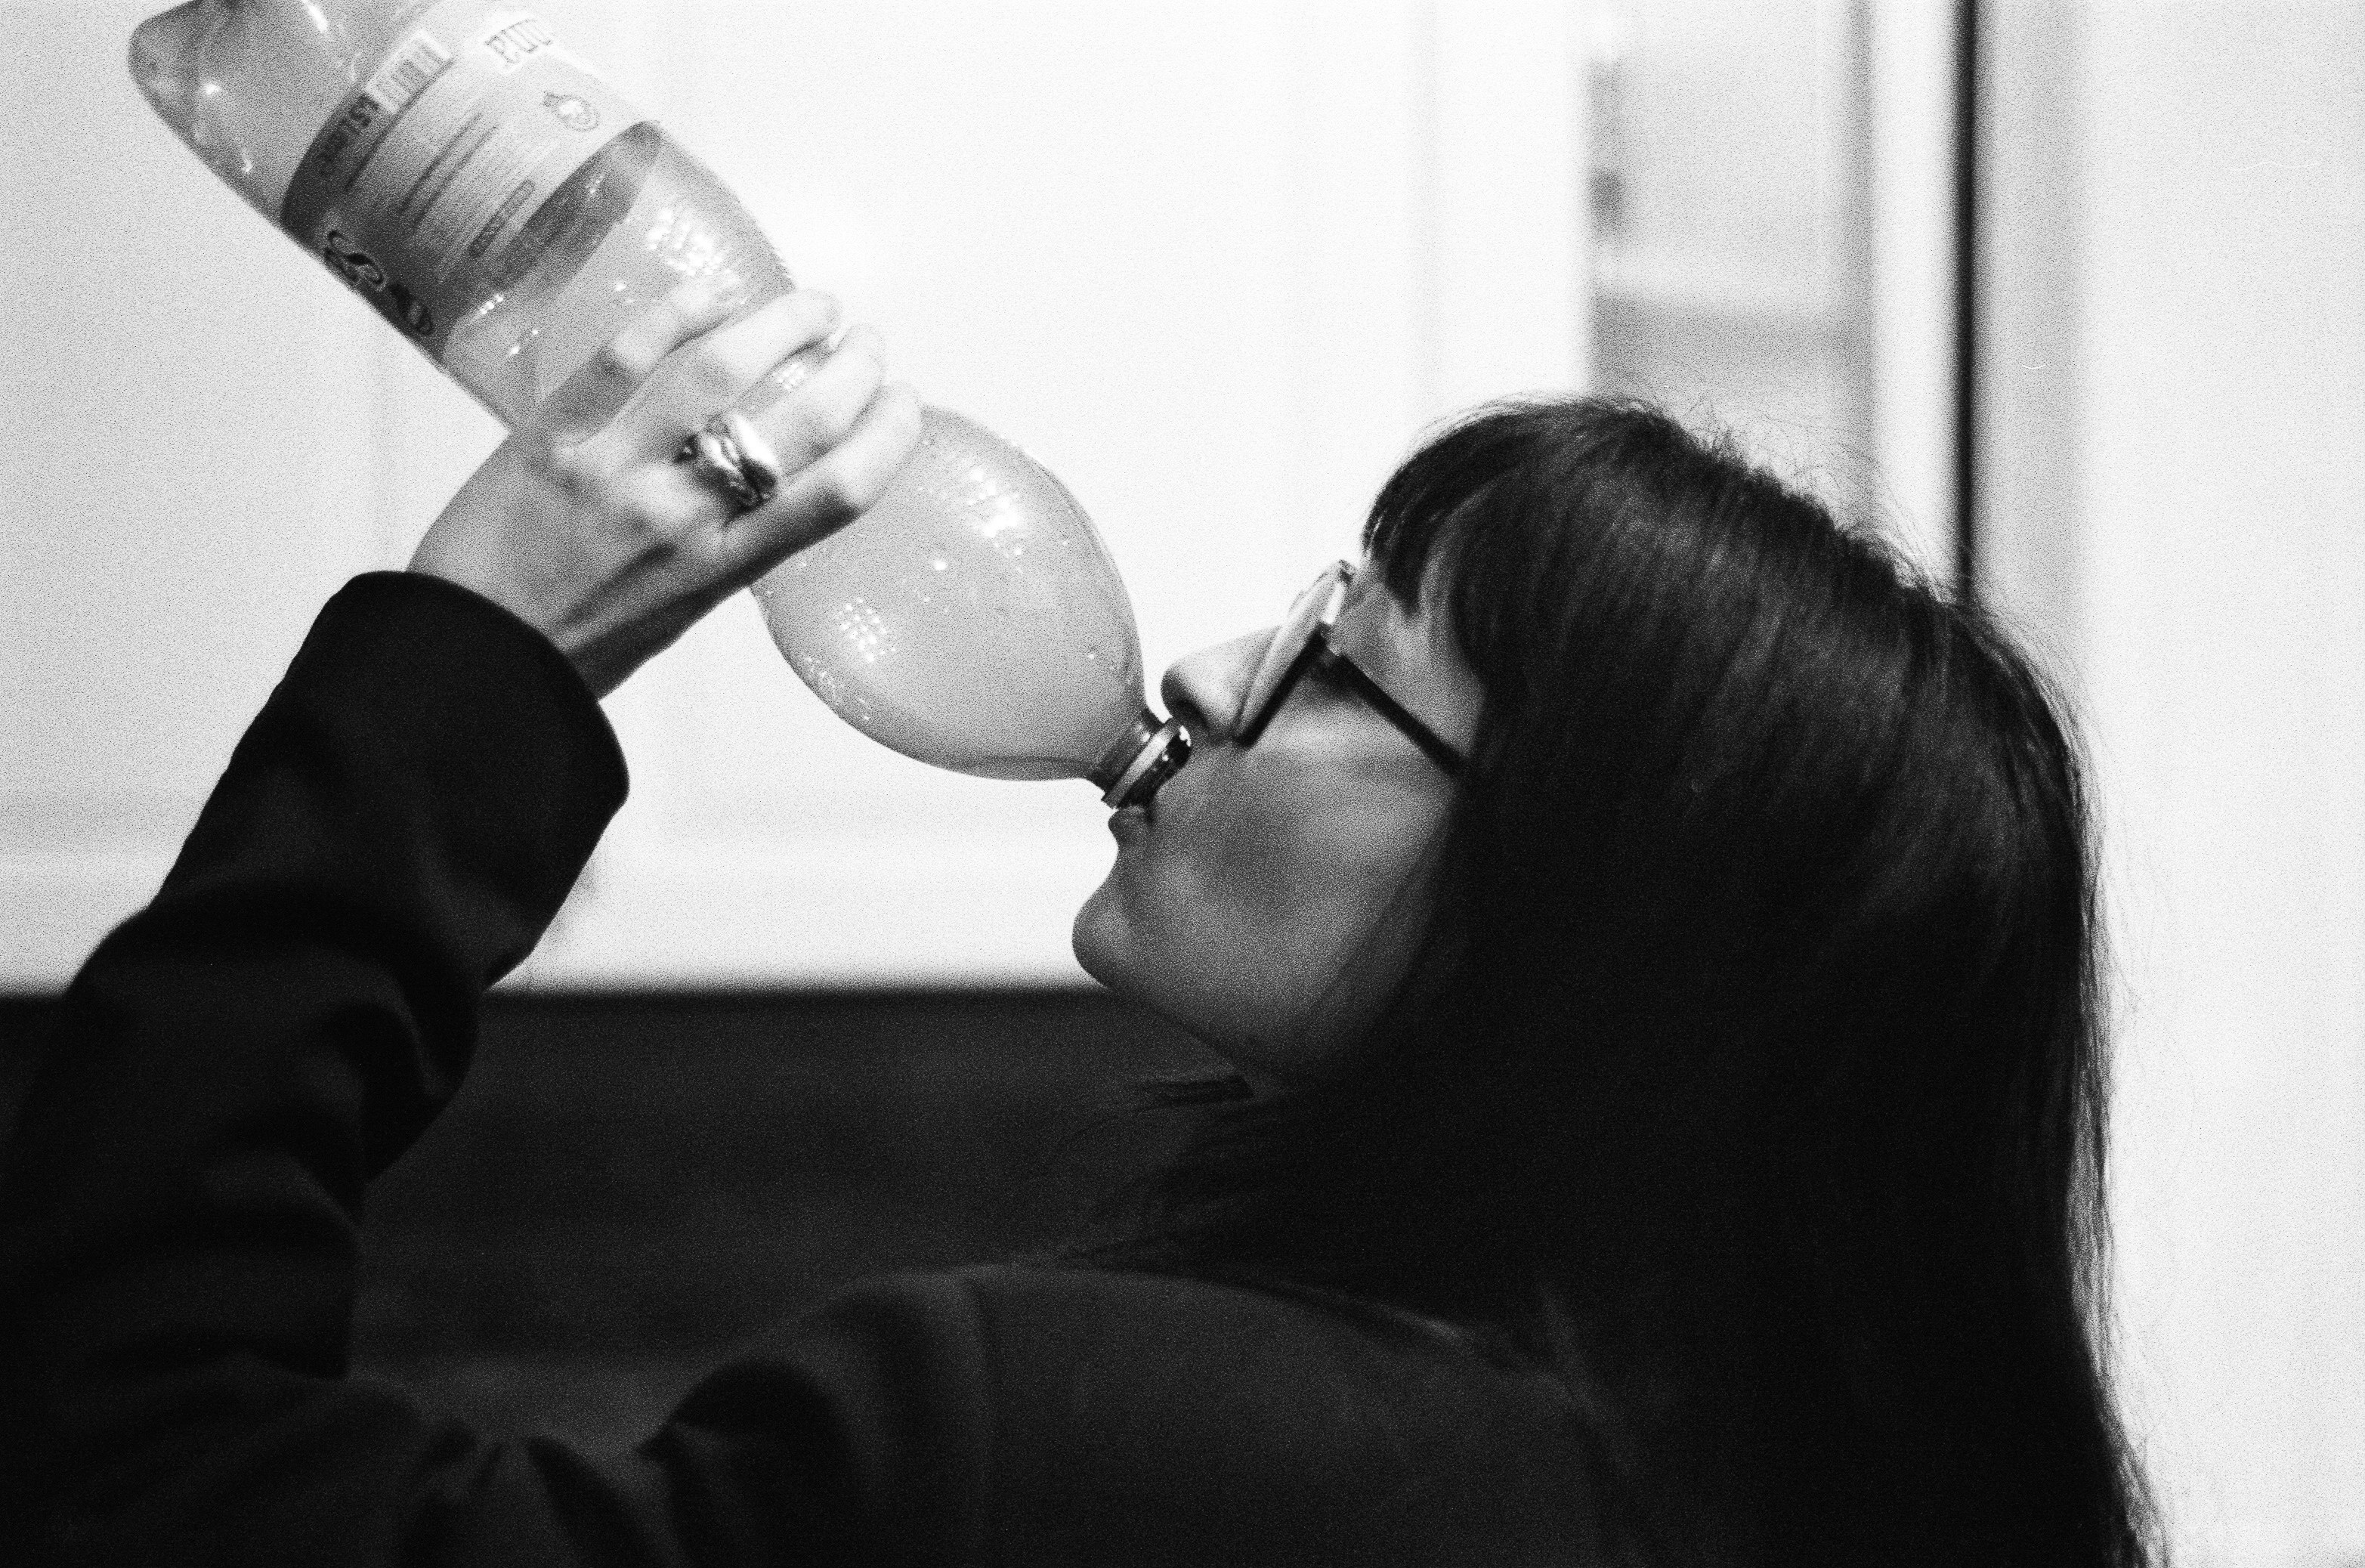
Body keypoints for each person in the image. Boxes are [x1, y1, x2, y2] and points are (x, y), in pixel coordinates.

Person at [0, 282, 2154, 1566]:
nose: (1214, 672)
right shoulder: (1763, 1478)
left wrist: (468, 662)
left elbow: (123, 1465)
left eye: (1341, 649)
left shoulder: (1079, 1445)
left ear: (1591, 908)